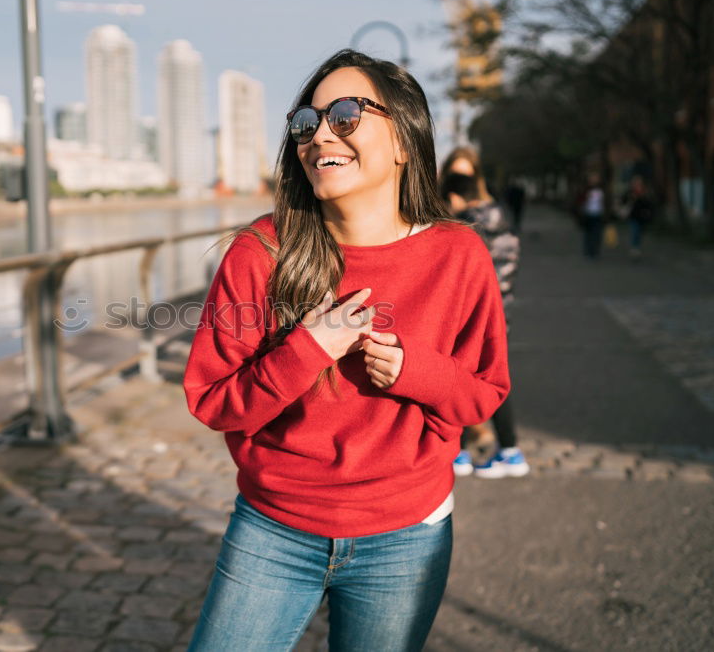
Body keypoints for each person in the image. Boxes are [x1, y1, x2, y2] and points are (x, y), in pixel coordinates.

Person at [182, 48, 510, 650]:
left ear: (405, 140)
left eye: (345, 114)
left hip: (408, 534)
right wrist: (305, 351)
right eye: (306, 123)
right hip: (273, 529)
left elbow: (483, 394)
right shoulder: (260, 251)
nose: (318, 134)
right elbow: (211, 400)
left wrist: (417, 371)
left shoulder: (460, 255)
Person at [440, 170, 529, 478]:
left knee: (461, 378)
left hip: (473, 310)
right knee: (493, 377)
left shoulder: (466, 223)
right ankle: (510, 452)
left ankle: (462, 454)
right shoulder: (503, 216)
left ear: (452, 197)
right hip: (503, 306)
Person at [620, 175, 655, 260]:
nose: (637, 185)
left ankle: (636, 246)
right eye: (635, 183)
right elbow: (623, 201)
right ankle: (634, 248)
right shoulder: (629, 193)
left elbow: (649, 205)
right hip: (633, 216)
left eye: (639, 183)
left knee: (639, 233)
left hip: (642, 217)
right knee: (634, 231)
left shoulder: (645, 193)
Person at [579, 173, 605, 259]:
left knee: (597, 234)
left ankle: (595, 251)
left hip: (598, 214)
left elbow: (605, 202)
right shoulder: (586, 189)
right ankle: (588, 251)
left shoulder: (601, 190)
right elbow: (580, 200)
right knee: (588, 234)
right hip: (588, 214)